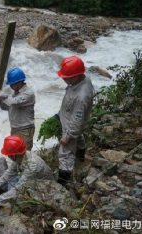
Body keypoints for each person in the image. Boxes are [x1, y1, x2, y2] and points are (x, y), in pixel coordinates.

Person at [56, 55, 94, 186]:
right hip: (69, 116)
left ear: (75, 76)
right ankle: (81, 155)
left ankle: (63, 183)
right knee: (80, 137)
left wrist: (67, 136)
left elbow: (77, 120)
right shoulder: (83, 79)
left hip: (71, 126)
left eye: (66, 77)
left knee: (65, 154)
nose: (64, 79)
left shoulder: (81, 96)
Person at [0, 135, 53, 206]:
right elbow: (10, 172)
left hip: (44, 188)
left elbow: (20, 187)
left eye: (9, 154)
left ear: (14, 154)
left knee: (15, 188)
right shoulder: (20, 156)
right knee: (11, 181)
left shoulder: (32, 166)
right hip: (32, 181)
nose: (8, 156)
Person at [0, 67, 36, 150]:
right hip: (15, 128)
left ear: (19, 82)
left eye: (12, 84)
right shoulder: (15, 93)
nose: (11, 86)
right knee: (15, 153)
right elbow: (8, 107)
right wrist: (0, 101)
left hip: (25, 129)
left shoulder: (28, 94)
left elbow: (13, 103)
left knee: (24, 154)